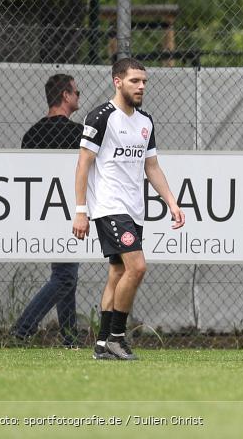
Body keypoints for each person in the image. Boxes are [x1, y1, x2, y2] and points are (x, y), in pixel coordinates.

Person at [72, 58, 185, 361]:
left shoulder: (145, 121)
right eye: (135, 81)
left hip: (135, 209)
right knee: (137, 267)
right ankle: (116, 339)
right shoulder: (101, 117)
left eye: (144, 81)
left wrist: (172, 202)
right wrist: (81, 210)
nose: (142, 86)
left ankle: (101, 343)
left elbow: (152, 166)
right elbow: (84, 163)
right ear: (117, 82)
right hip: (109, 206)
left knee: (118, 272)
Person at [12, 74, 84, 347]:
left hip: (43, 212)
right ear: (65, 95)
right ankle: (23, 328)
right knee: (65, 276)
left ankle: (69, 337)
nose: (78, 96)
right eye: (76, 91)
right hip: (69, 211)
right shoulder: (77, 134)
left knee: (66, 275)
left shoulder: (31, 135)